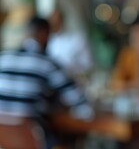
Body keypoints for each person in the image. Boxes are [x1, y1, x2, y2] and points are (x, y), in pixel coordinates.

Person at [0, 16, 94, 148]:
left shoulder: (3, 57)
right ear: (44, 34)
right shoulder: (45, 62)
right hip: (32, 134)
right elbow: (80, 103)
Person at [46, 9, 94, 76]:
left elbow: (88, 65)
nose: (54, 23)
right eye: (51, 20)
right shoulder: (47, 41)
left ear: (62, 20)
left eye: (56, 20)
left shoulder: (77, 39)